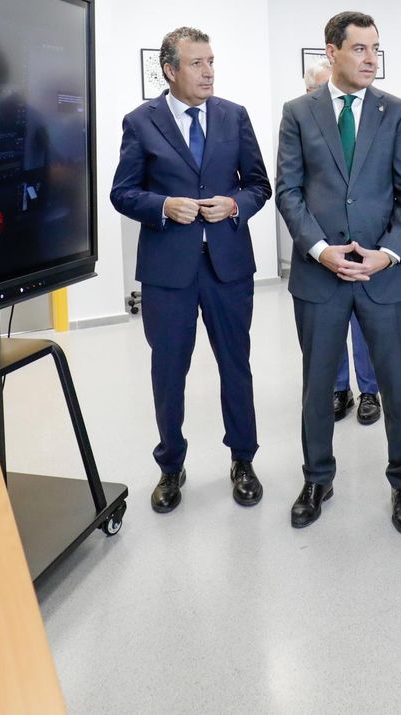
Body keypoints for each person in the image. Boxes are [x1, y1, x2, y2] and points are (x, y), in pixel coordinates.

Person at [109, 27, 272, 513]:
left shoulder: (233, 116)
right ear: (170, 70)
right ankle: (170, 465)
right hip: (168, 272)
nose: (208, 72)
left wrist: (234, 204)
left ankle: (243, 460)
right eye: (197, 63)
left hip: (228, 267)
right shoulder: (141, 122)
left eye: (211, 62)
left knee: (235, 366)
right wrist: (163, 206)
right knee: (168, 372)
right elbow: (122, 192)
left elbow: (259, 185)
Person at [276, 10, 401, 535]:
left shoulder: (396, 112)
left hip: (382, 274)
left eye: (375, 49)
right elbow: (288, 190)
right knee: (318, 385)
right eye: (359, 48)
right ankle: (317, 478)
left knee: (395, 384)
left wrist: (391, 253)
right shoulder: (299, 112)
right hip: (320, 274)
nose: (370, 59)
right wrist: (320, 250)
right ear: (332, 51)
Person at [305, 61, 381, 427]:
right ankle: (339, 389)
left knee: (365, 325)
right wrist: (316, 245)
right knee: (330, 326)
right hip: (322, 245)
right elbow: (292, 188)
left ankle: (369, 391)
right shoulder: (301, 122)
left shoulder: (372, 118)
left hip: (366, 243)